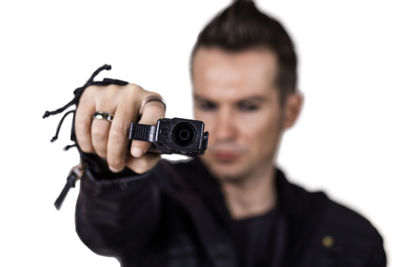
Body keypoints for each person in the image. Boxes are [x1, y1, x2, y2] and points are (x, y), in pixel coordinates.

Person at [71, 1, 386, 266]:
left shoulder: (352, 240)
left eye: (248, 107)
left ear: (290, 111)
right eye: (208, 105)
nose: (222, 131)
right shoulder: (156, 197)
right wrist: (110, 168)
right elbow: (110, 225)